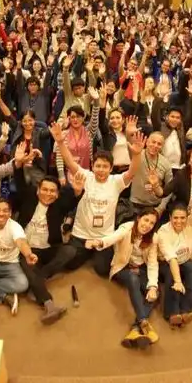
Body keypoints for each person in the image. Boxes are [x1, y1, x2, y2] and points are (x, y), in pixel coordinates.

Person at [50, 118, 143, 277]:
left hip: (103, 236)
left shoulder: (116, 182)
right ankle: (85, 250)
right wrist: (60, 142)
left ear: (111, 168)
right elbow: (70, 162)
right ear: (93, 166)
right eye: (98, 166)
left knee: (102, 270)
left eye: (105, 167)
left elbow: (132, 172)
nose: (101, 170)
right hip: (81, 234)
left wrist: (136, 154)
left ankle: (94, 251)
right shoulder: (86, 176)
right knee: (70, 265)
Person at [11, 143, 79, 325]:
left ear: (57, 195)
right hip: (26, 248)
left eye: (52, 191)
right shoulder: (28, 197)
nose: (47, 193)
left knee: (70, 251)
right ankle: (49, 304)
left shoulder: (59, 205)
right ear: (38, 190)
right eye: (45, 189)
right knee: (26, 263)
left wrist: (78, 191)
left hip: (48, 248)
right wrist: (18, 164)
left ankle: (38, 279)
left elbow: (73, 201)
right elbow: (19, 181)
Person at [86, 209, 161, 348]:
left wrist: (152, 287)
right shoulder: (126, 228)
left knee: (155, 293)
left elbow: (152, 263)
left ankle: (135, 330)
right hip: (122, 268)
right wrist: (98, 242)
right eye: (146, 220)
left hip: (140, 268)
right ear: (138, 218)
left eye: (152, 223)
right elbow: (113, 237)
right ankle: (143, 322)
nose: (148, 225)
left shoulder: (153, 238)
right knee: (133, 279)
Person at [155, 176, 192, 328]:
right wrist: (178, 281)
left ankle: (186, 310)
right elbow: (171, 258)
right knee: (172, 276)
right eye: (175, 218)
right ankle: (171, 312)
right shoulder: (163, 232)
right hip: (166, 263)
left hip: (187, 260)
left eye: (182, 218)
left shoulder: (191, 224)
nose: (179, 221)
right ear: (170, 218)